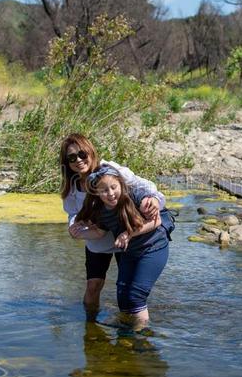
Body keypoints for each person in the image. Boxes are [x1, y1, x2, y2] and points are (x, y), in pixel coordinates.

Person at [60, 133, 165, 320]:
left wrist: (154, 199)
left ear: (91, 152)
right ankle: (91, 326)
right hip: (98, 239)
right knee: (93, 286)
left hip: (123, 238)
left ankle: (132, 323)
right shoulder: (73, 186)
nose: (79, 160)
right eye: (72, 157)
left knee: (127, 289)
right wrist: (74, 228)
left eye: (82, 154)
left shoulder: (110, 170)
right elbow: (74, 215)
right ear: (67, 163)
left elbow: (143, 188)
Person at [75, 165, 170, 330]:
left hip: (153, 247)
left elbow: (156, 221)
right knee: (123, 297)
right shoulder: (102, 210)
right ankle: (128, 335)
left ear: (121, 184)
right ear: (97, 193)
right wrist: (79, 233)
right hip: (130, 252)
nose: (110, 194)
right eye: (104, 190)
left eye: (114, 187)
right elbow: (99, 232)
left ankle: (142, 337)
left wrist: (128, 234)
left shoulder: (136, 196)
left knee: (135, 296)